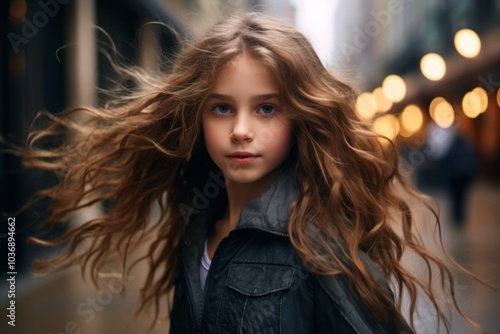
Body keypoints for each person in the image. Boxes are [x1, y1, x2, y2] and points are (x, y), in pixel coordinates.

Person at [21, 13, 482, 333]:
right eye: (222, 108)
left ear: (300, 116)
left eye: (266, 109)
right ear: (197, 117)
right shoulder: (197, 224)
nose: (241, 131)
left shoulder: (321, 244)